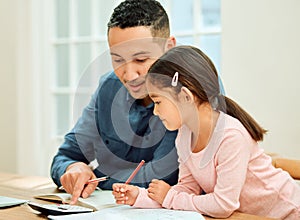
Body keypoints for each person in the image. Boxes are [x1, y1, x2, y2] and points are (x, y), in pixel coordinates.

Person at [112, 45, 300, 219]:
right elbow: (187, 189)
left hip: (290, 212)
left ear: (185, 96)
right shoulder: (185, 134)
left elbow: (223, 204)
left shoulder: (231, 136)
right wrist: (140, 197)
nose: (155, 111)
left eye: (158, 102)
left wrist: (169, 197)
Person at [50, 0, 179, 205]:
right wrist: (73, 168)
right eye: (118, 60)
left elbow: (161, 177)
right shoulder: (108, 88)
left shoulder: (190, 92)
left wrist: (98, 175)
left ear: (169, 47)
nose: (128, 75)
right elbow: (66, 154)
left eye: (141, 60)